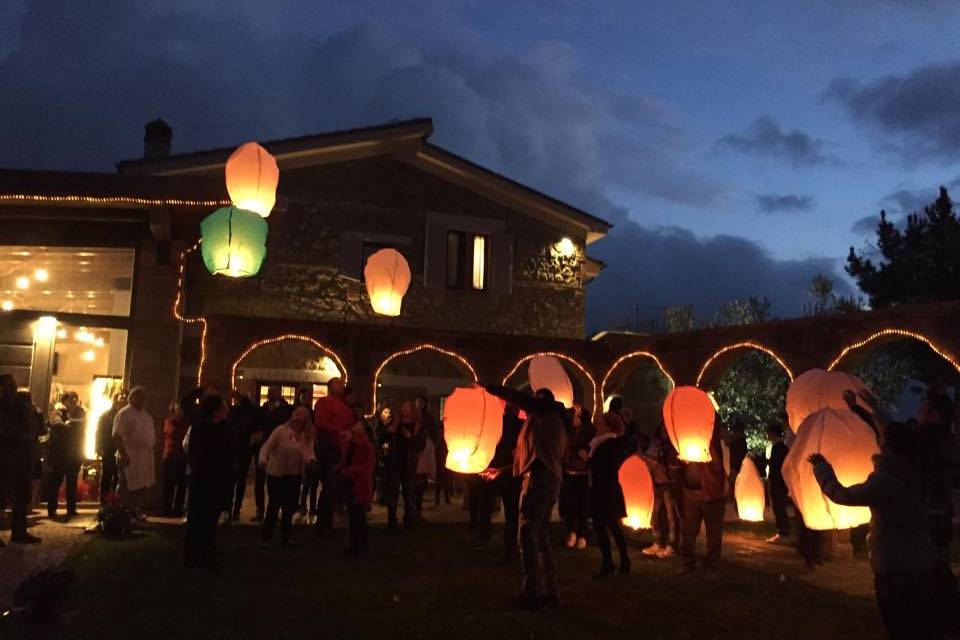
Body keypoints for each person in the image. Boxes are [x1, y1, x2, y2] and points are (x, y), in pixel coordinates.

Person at [810, 422, 939, 640]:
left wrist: (822, 468)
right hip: (922, 561)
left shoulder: (885, 482)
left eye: (882, 439)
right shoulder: (918, 472)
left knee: (900, 625)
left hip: (895, 566)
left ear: (888, 446)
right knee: (920, 625)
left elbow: (843, 495)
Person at [486, 384, 567, 611]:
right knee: (540, 537)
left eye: (535, 401)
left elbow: (539, 462)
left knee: (527, 535)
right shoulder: (547, 424)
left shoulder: (547, 415)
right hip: (545, 479)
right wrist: (502, 470)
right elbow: (535, 456)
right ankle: (550, 591)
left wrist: (494, 389)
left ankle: (532, 593)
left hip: (540, 482)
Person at [184, 394, 233, 568]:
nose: (227, 411)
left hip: (204, 476)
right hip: (209, 477)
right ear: (216, 411)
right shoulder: (212, 429)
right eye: (224, 408)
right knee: (204, 515)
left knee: (200, 515)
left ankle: (197, 549)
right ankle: (200, 551)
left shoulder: (201, 427)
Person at [475, 402, 524, 563]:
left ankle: (483, 538)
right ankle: (509, 545)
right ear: (517, 411)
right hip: (510, 473)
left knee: (485, 506)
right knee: (511, 513)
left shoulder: (493, 423)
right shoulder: (522, 426)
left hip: (490, 470)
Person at [259, 406, 314, 548]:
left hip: (294, 474)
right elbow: (268, 446)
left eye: (301, 414)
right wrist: (263, 459)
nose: (297, 416)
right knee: (274, 505)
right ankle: (266, 537)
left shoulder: (305, 436)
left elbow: (308, 452)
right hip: (277, 473)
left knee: (289, 507)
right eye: (296, 413)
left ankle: (286, 536)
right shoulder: (281, 431)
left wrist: (311, 460)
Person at [678, 416, 727, 575]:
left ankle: (712, 566)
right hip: (690, 491)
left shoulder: (714, 445)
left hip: (711, 493)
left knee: (713, 532)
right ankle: (688, 563)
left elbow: (719, 466)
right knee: (688, 530)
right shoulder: (686, 440)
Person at [587, 411, 632, 577]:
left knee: (605, 526)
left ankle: (610, 564)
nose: (596, 426)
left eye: (600, 423)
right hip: (605, 489)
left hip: (606, 490)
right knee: (611, 526)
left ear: (609, 427)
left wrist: (588, 460)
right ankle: (620, 562)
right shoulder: (602, 444)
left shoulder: (609, 445)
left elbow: (604, 467)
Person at [0, 375, 41, 544]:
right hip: (5, 456)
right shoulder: (2, 406)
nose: (12, 389)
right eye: (9, 386)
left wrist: (29, 438)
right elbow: (6, 430)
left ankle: (19, 531)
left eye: (14, 385)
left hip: (22, 457)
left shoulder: (21, 405)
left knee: (22, 495)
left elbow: (33, 426)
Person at [313, 378, 354, 531]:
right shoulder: (324, 403)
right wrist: (340, 432)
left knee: (335, 487)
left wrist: (349, 434)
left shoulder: (346, 408)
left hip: (341, 448)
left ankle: (326, 523)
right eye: (337, 383)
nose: (341, 385)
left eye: (341, 384)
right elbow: (321, 423)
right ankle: (323, 524)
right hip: (330, 447)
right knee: (330, 486)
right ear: (330, 387)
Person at [251, 386, 293, 522]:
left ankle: (276, 507)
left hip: (278, 447)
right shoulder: (262, 410)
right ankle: (260, 509)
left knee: (277, 478)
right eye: (270, 392)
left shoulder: (284, 410)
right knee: (260, 479)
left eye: (274, 392)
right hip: (263, 445)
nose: (271, 394)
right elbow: (257, 424)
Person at [383, 400, 425, 530]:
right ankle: (391, 522)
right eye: (404, 406)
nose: (405, 409)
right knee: (393, 494)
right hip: (394, 463)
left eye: (408, 406)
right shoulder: (395, 424)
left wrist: (410, 437)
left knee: (408, 494)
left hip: (408, 464)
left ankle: (408, 521)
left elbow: (420, 445)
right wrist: (389, 433)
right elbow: (384, 440)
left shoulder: (417, 426)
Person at [112, 387, 156, 512]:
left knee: (142, 486)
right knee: (126, 486)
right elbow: (116, 435)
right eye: (139, 397)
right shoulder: (124, 414)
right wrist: (124, 454)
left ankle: (135, 511)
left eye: (144, 398)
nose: (142, 400)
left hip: (144, 456)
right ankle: (122, 512)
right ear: (132, 398)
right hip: (129, 455)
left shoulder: (146, 415)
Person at [643, 420, 680, 558]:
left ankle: (671, 545)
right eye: (663, 428)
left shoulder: (674, 446)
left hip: (669, 484)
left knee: (671, 516)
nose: (665, 431)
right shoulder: (656, 443)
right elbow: (649, 458)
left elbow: (675, 466)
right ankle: (657, 541)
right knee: (654, 513)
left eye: (667, 429)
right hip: (657, 483)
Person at [559, 403, 594, 549]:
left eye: (576, 416)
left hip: (582, 474)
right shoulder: (571, 432)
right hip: (569, 473)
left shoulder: (589, 433)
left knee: (582, 506)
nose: (573, 418)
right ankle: (572, 532)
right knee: (570, 505)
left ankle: (582, 535)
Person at [46, 391, 85, 519]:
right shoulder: (58, 412)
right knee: (55, 482)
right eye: (71, 399)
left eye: (75, 398)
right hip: (60, 454)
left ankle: (71, 509)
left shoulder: (80, 412)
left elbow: (82, 429)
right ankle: (52, 510)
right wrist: (68, 425)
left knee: (72, 482)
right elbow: (56, 424)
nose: (74, 401)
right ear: (64, 401)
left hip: (74, 454)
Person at [340, 422, 376, 555]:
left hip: (359, 484)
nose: (354, 426)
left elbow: (368, 466)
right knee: (353, 515)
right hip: (351, 483)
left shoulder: (366, 445)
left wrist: (349, 470)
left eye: (358, 425)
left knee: (359, 516)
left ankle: (361, 546)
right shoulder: (350, 443)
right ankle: (354, 545)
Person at [228, 391, 258, 521]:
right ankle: (235, 508)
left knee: (231, 480)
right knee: (240, 480)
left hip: (235, 448)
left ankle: (229, 508)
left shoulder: (234, 412)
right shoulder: (252, 412)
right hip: (245, 449)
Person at [96, 389, 126, 504]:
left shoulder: (127, 415)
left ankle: (115, 502)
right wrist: (99, 447)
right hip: (109, 449)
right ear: (115, 399)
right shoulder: (106, 415)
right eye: (121, 396)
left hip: (122, 449)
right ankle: (104, 502)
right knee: (107, 475)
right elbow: (99, 432)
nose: (123, 398)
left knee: (119, 477)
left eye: (125, 396)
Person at [295, 388, 320, 522]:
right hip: (302, 451)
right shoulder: (299, 413)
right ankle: (303, 505)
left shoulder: (312, 414)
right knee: (305, 482)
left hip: (311, 451)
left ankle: (311, 506)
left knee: (312, 481)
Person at [161, 401, 189, 517]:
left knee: (181, 484)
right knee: (169, 484)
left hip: (182, 457)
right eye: (178, 409)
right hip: (171, 456)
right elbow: (172, 433)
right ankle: (166, 509)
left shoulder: (186, 422)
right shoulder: (169, 421)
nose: (180, 412)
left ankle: (178, 508)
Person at [765, 423, 791, 544]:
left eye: (768, 433)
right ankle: (783, 532)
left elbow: (776, 465)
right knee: (779, 507)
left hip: (778, 483)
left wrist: (762, 460)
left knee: (778, 507)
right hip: (780, 482)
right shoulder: (782, 447)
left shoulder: (778, 448)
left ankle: (783, 533)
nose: (767, 435)